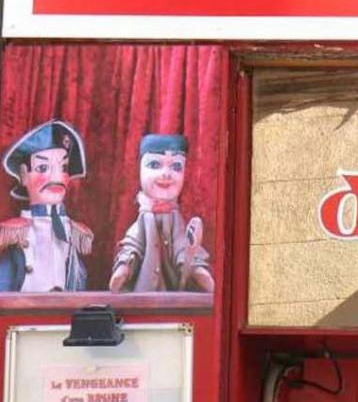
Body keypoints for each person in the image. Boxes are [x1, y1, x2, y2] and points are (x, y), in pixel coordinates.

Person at [110, 134, 213, 293]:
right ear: (140, 169)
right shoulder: (145, 217)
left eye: (176, 167)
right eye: (154, 164)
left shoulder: (175, 218)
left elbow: (181, 244)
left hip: (172, 295)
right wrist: (125, 266)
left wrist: (194, 267)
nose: (166, 174)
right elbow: (133, 242)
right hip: (143, 293)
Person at [0, 120, 93, 292]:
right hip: (23, 312)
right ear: (23, 175)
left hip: (63, 313)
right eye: (43, 168)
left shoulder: (72, 231)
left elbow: (78, 276)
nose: (57, 176)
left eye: (63, 167)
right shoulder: (17, 231)